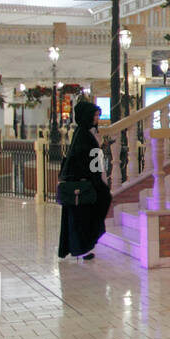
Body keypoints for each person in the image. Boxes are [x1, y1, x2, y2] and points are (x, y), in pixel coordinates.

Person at [57, 99, 112, 261]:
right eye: (94, 115)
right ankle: (82, 248)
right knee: (82, 216)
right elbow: (88, 160)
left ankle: (82, 247)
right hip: (82, 184)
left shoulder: (82, 134)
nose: (97, 119)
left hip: (81, 183)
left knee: (81, 216)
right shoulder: (83, 135)